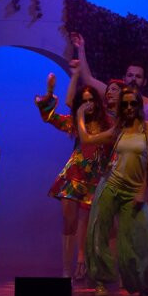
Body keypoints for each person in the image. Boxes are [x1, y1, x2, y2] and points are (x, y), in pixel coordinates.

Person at [70, 33, 148, 277]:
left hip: (139, 170)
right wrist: (81, 49)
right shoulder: (115, 96)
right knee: (104, 219)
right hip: (114, 171)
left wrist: (145, 168)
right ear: (124, 78)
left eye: (138, 76)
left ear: (144, 81)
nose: (133, 79)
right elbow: (88, 79)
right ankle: (104, 270)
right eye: (130, 75)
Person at [79, 86, 148, 296]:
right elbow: (87, 139)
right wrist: (80, 115)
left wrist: (142, 190)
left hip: (133, 190)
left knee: (145, 237)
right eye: (124, 104)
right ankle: (101, 281)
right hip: (111, 185)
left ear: (139, 105)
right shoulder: (117, 130)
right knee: (98, 232)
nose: (128, 108)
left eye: (133, 103)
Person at [36, 66, 113, 281]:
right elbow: (51, 117)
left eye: (91, 100)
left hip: (96, 180)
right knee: (68, 222)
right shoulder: (77, 122)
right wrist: (49, 93)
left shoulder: (109, 123)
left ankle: (87, 263)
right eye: (84, 101)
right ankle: (66, 271)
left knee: (91, 224)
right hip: (73, 176)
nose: (88, 104)